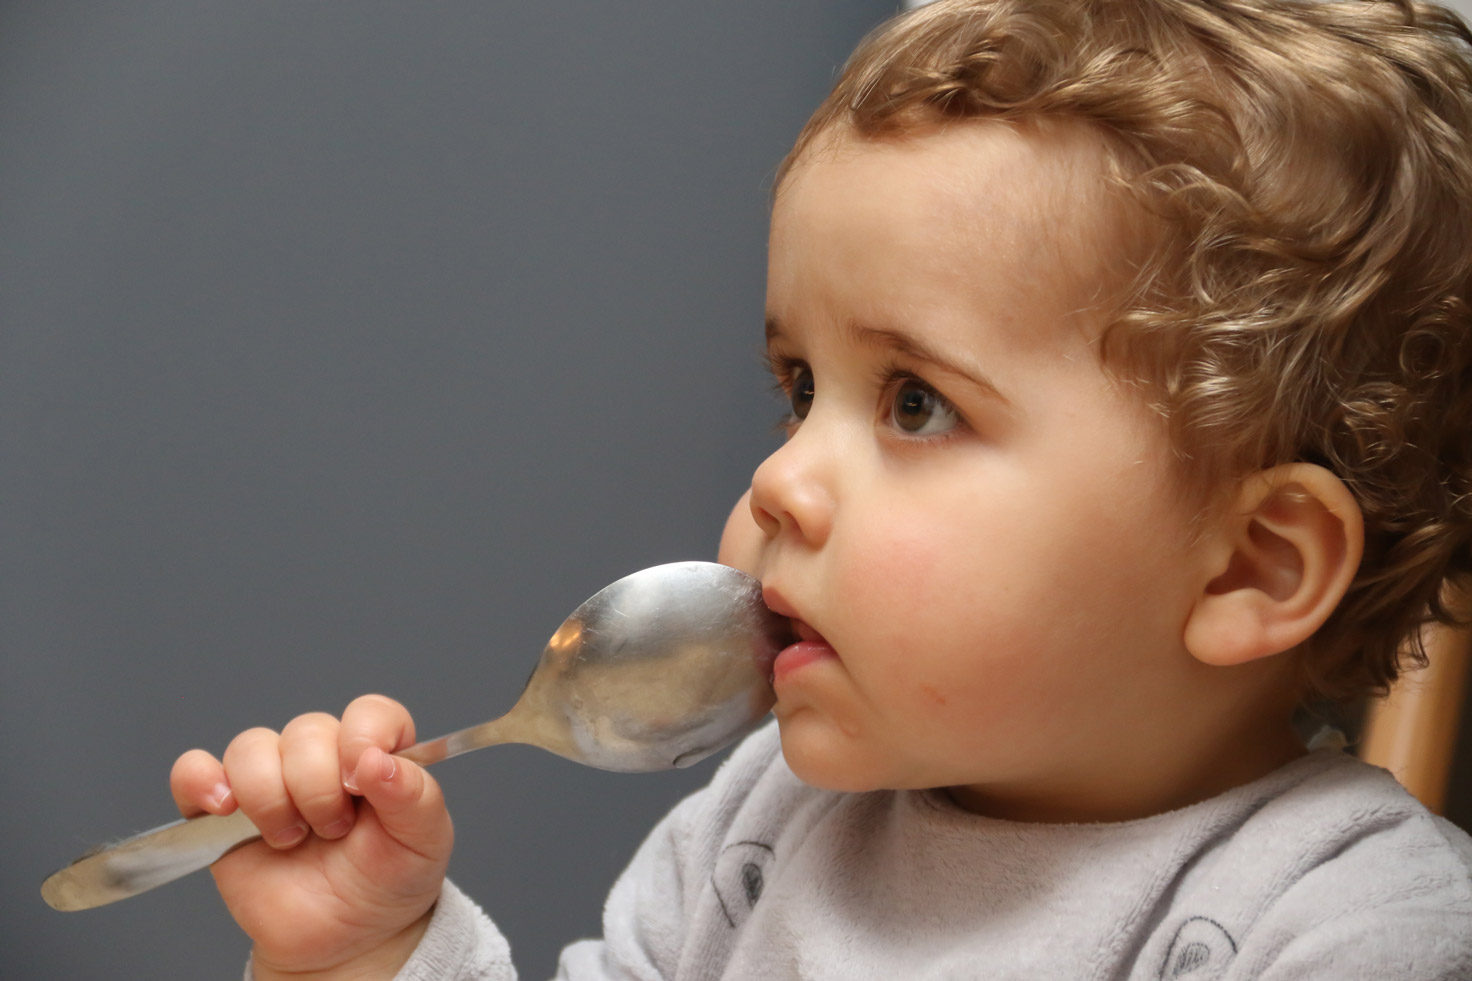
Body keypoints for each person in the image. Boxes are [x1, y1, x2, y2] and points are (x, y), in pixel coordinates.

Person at [170, 0, 1472, 977]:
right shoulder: (765, 823)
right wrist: (369, 952)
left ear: (1250, 565)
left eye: (916, 402)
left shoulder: (1351, 924)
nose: (778, 477)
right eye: (800, 386)